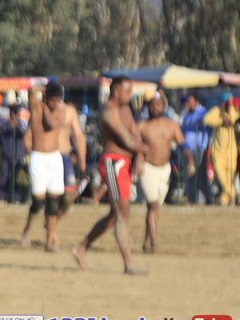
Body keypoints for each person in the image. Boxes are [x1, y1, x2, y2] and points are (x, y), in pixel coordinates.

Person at [72, 77, 147, 275]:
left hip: (124, 165)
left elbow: (135, 135)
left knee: (117, 214)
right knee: (121, 213)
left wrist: (140, 155)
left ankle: (81, 248)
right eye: (128, 92)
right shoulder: (109, 110)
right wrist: (150, 149)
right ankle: (129, 263)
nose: (131, 95)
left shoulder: (126, 109)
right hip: (112, 164)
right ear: (116, 92)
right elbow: (127, 140)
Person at [20, 84, 68, 251]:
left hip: (54, 158)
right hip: (38, 157)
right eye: (51, 100)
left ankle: (49, 241)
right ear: (46, 98)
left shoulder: (61, 111)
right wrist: (44, 91)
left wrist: (45, 106)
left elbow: (52, 124)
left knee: (53, 202)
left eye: (57, 100)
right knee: (38, 202)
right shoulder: (36, 108)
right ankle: (28, 228)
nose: (55, 103)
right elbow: (32, 90)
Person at [136, 93, 185, 252]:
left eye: (158, 104)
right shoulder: (141, 126)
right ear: (148, 107)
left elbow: (183, 145)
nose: (155, 107)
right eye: (152, 104)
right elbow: (134, 146)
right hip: (147, 168)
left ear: (164, 106)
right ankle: (154, 241)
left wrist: (190, 160)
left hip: (165, 170)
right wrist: (138, 157)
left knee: (155, 208)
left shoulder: (172, 125)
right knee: (153, 205)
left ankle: (147, 242)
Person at [203, 94, 238, 205]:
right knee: (219, 172)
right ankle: (233, 194)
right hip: (218, 151)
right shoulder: (217, 111)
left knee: (229, 176)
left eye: (227, 102)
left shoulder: (234, 111)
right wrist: (221, 122)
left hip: (231, 152)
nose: (224, 104)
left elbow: (233, 119)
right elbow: (206, 119)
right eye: (224, 102)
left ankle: (224, 199)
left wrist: (230, 107)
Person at [179, 94, 211, 205]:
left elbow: (207, 132)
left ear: (196, 101)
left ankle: (203, 199)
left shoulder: (203, 114)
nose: (187, 103)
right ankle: (191, 198)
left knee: (198, 175)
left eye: (190, 101)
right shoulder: (187, 114)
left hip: (197, 149)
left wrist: (203, 147)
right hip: (186, 150)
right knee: (188, 175)